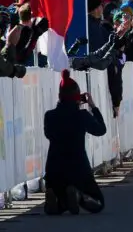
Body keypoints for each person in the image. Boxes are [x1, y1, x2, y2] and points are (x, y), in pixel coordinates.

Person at [43, 70, 107, 215]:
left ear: (60, 96)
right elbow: (101, 130)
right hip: (78, 168)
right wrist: (93, 107)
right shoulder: (82, 115)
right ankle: (77, 195)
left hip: (54, 169)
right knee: (98, 204)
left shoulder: (50, 116)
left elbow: (48, 134)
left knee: (56, 208)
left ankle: (56, 195)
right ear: (78, 98)